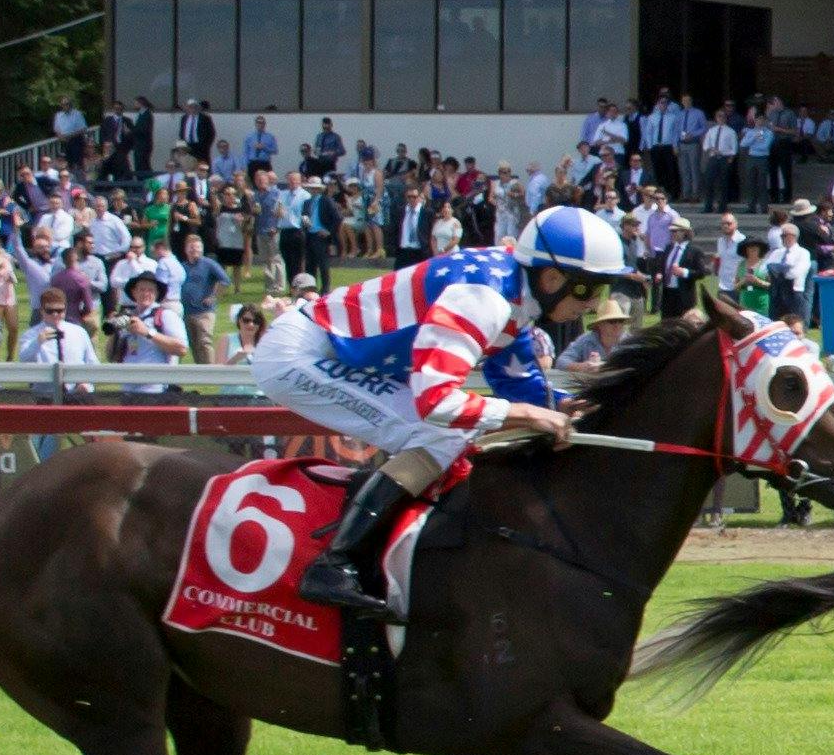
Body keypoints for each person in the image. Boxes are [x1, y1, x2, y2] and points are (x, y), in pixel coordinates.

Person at [248, 203, 626, 628]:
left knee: (445, 437)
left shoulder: (516, 292)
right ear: (552, 277)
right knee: (440, 435)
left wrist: (559, 404)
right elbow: (437, 403)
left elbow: (518, 381)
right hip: (298, 355)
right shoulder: (482, 296)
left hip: (338, 352)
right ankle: (335, 562)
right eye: (588, 290)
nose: (594, 305)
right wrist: (529, 416)